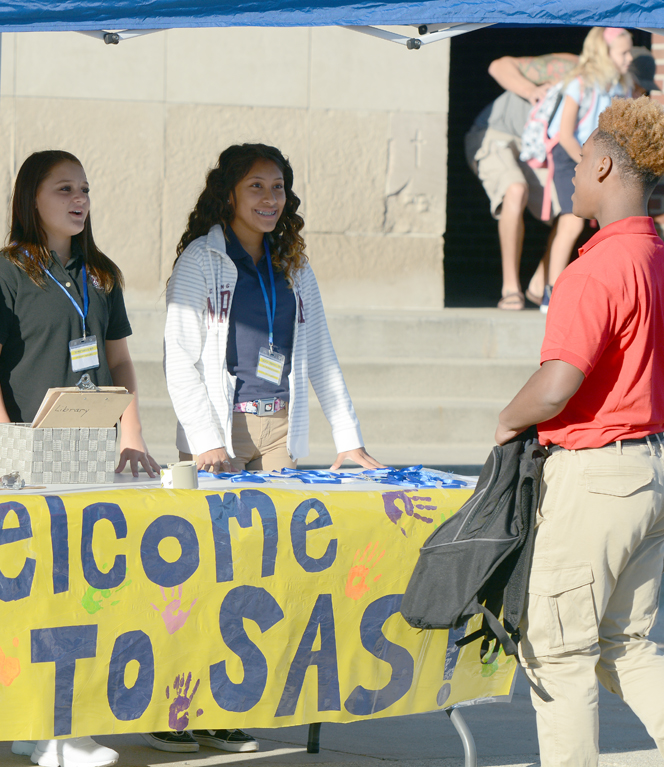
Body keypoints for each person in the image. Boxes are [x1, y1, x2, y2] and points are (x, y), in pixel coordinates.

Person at [157, 143, 382, 752]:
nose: (269, 199)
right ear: (229, 192)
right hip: (219, 434)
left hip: (280, 426)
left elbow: (322, 355)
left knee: (267, 570)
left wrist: (349, 439)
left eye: (278, 187)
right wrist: (205, 444)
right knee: (212, 573)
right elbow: (179, 361)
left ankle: (232, 700)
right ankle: (182, 709)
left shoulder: (293, 261)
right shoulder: (202, 262)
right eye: (256, 187)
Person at [495, 98, 664, 765]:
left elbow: (559, 382)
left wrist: (505, 419)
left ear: (606, 163)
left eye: (580, 161)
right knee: (626, 644)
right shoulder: (663, 262)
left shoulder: (594, 269)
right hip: (658, 471)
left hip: (599, 478)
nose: (573, 174)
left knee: (559, 653)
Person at [0, 149, 159, 767]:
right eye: (63, 190)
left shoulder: (100, 273)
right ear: (32, 198)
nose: (78, 200)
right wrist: (3, 440)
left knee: (85, 590)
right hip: (28, 445)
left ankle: (55, 724)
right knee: (38, 592)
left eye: (83, 188)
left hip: (93, 443)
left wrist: (133, 435)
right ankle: (48, 729)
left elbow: (119, 362)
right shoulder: (7, 271)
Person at [464, 51, 577, 309]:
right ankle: (510, 289)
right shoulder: (569, 68)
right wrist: (530, 90)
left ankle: (539, 285)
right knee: (515, 189)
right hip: (496, 132)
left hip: (537, 150)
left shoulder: (614, 93)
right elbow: (497, 65)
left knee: (571, 213)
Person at [538, 26, 633, 312]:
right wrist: (586, 163)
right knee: (573, 219)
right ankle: (551, 292)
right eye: (624, 52)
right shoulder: (579, 83)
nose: (630, 58)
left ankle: (536, 284)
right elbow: (565, 134)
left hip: (595, 158)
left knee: (596, 219)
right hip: (570, 154)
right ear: (604, 53)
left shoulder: (621, 86)